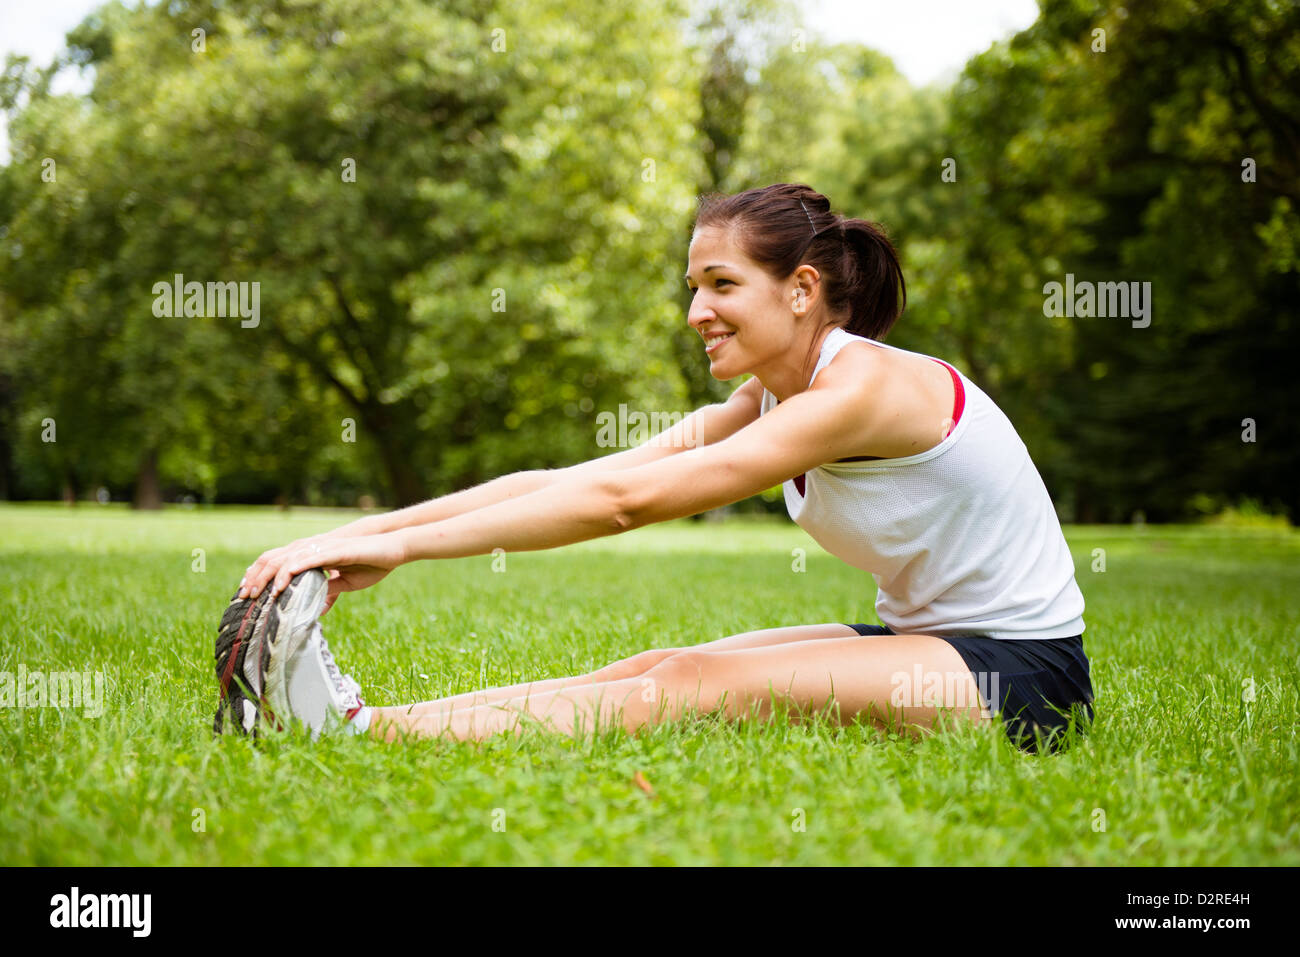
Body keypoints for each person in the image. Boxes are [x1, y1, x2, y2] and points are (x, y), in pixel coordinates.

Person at [227, 183, 1094, 753]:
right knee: (655, 664)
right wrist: (357, 534)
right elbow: (573, 480)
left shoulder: (858, 386)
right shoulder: (770, 396)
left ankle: (359, 731)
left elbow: (624, 505)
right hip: (923, 644)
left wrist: (408, 552)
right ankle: (353, 725)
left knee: (693, 685)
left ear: (799, 289)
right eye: (692, 286)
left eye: (720, 284)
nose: (695, 312)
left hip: (1022, 672)